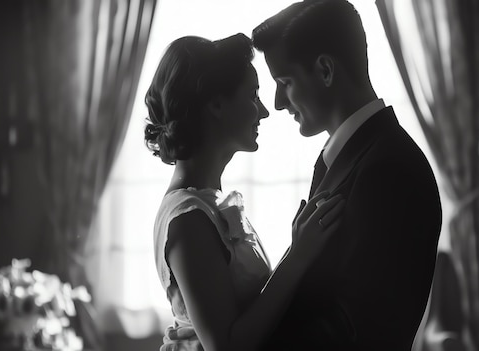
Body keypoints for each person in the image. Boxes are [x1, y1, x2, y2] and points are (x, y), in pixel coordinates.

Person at [252, 0, 443, 349]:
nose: (279, 102)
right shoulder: (346, 158)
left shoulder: (389, 170)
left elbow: (361, 333)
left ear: (325, 70)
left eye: (285, 81)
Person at [144, 33, 345, 351]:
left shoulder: (208, 204)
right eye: (253, 96)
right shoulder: (189, 219)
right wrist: (298, 256)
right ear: (216, 104)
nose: (264, 111)